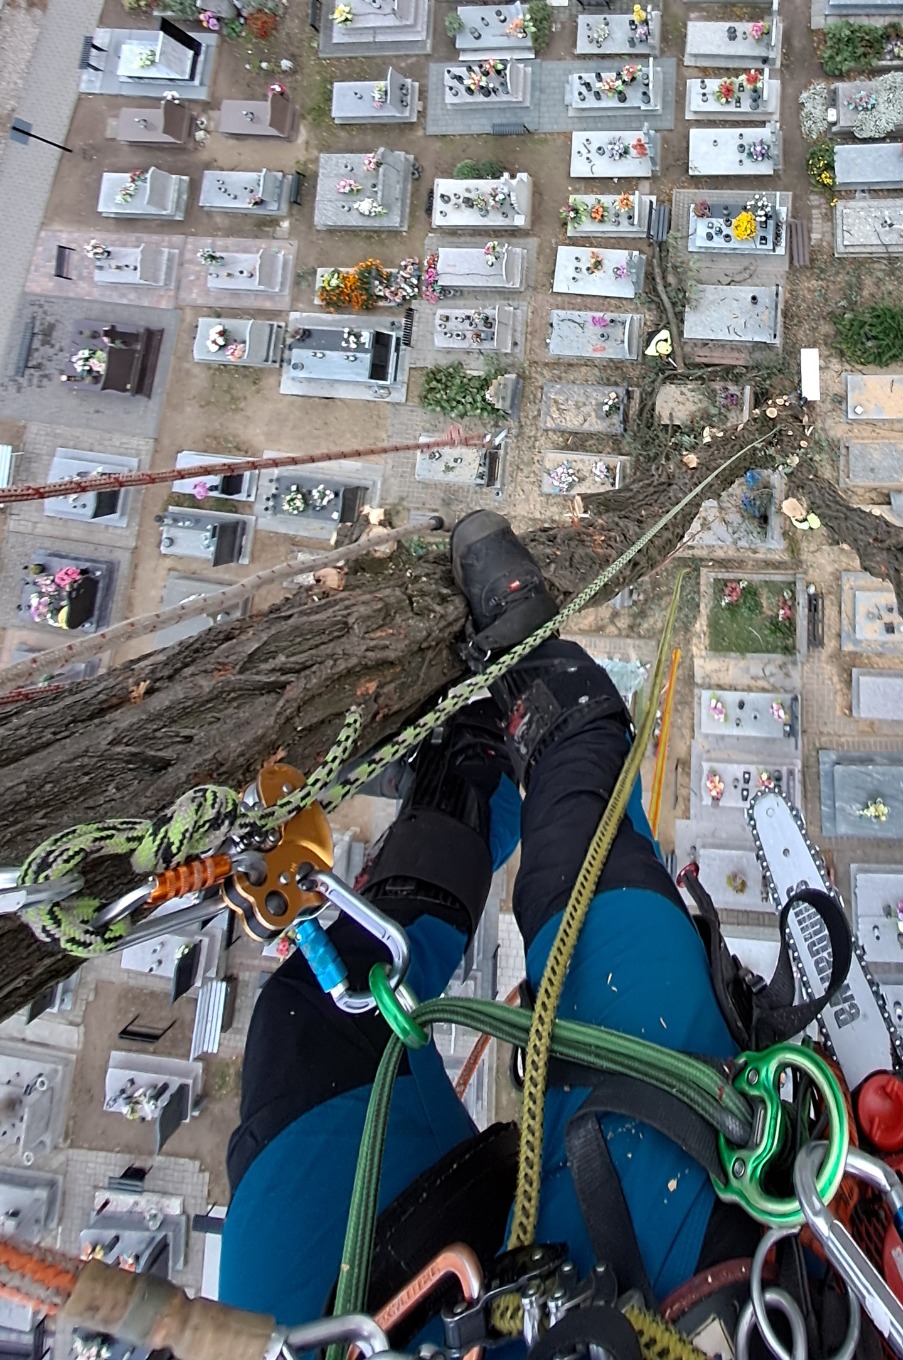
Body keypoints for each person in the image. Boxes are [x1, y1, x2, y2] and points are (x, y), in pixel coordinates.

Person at [218, 512, 756, 1332]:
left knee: (308, 1029)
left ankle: (469, 766)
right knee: (581, 891)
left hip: (389, 1326)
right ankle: (542, 696)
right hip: (679, 1294)